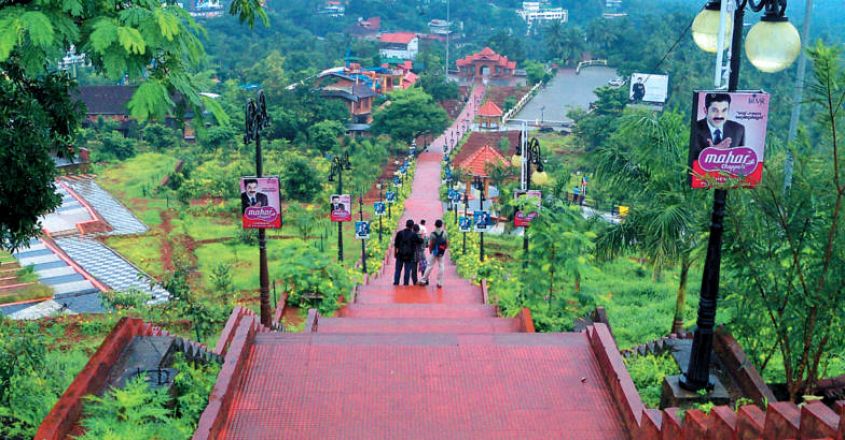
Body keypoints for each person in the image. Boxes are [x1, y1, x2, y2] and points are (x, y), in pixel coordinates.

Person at [689, 92, 746, 169]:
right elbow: (690, 161)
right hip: (702, 178)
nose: (719, 116)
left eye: (724, 110)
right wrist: (711, 153)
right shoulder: (695, 128)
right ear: (705, 110)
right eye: (715, 110)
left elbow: (741, 165)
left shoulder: (738, 129)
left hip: (728, 179)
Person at [393, 219, 423, 286]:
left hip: (400, 254)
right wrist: (421, 236)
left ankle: (396, 282)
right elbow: (420, 241)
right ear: (412, 226)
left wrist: (395, 253)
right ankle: (406, 283)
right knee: (407, 271)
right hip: (409, 255)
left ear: (406, 224)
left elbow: (396, 244)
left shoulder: (399, 233)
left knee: (398, 270)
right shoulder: (414, 234)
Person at [419, 219, 447, 288]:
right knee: (441, 266)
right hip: (441, 252)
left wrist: (431, 251)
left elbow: (431, 244)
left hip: (434, 252)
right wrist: (444, 249)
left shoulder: (433, 234)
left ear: (435, 225)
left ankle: (423, 280)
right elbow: (447, 242)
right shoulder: (444, 233)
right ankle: (439, 282)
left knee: (429, 266)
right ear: (441, 225)